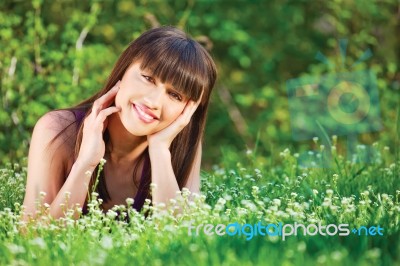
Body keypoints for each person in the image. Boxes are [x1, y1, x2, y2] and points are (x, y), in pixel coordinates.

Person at [21, 26, 217, 220]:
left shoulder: (183, 145)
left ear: (189, 109)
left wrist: (159, 151)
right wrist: (85, 164)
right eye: (148, 78)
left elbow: (186, 242)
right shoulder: (58, 130)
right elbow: (32, 238)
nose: (153, 102)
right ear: (124, 69)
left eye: (175, 95)